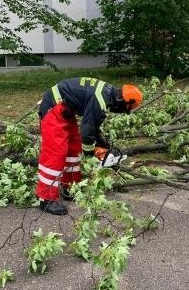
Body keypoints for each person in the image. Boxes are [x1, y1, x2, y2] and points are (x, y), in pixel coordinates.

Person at [35, 77, 143, 215]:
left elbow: (93, 126)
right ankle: (46, 199)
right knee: (56, 153)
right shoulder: (101, 99)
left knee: (73, 150)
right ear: (122, 102)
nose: (121, 112)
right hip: (54, 107)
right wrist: (90, 154)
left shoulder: (107, 94)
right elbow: (87, 132)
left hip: (66, 111)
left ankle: (70, 188)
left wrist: (103, 144)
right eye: (124, 110)